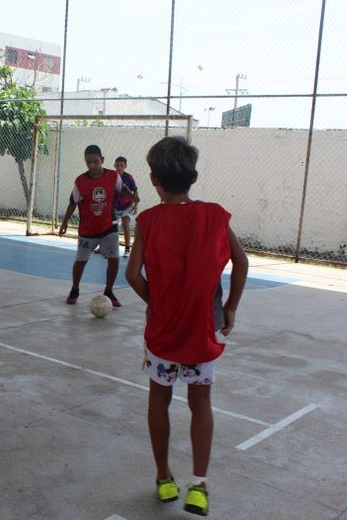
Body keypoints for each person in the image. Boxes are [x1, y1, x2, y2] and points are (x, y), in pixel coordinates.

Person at [125, 136, 248, 516]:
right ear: (194, 176)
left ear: (152, 179)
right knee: (201, 402)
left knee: (159, 399)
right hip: (202, 331)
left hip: (162, 334)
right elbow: (241, 263)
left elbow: (132, 275)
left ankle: (163, 478)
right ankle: (199, 486)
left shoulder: (147, 220)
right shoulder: (215, 215)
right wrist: (229, 308)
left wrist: (158, 304)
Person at [59, 144, 132, 308]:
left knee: (114, 259)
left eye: (95, 162)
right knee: (80, 261)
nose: (92, 165)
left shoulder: (113, 176)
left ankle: (109, 290)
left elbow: (124, 189)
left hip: (108, 226)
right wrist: (64, 223)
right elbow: (72, 203)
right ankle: (75, 289)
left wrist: (133, 196)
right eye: (88, 162)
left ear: (103, 160)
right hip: (88, 229)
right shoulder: (81, 181)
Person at [113, 156, 140, 258]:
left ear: (125, 166)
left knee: (126, 226)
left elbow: (135, 190)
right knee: (111, 228)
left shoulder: (129, 178)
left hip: (126, 206)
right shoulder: (112, 177)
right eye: (117, 165)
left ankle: (127, 248)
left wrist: (135, 205)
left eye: (121, 165)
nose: (119, 167)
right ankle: (107, 247)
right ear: (114, 166)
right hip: (115, 207)